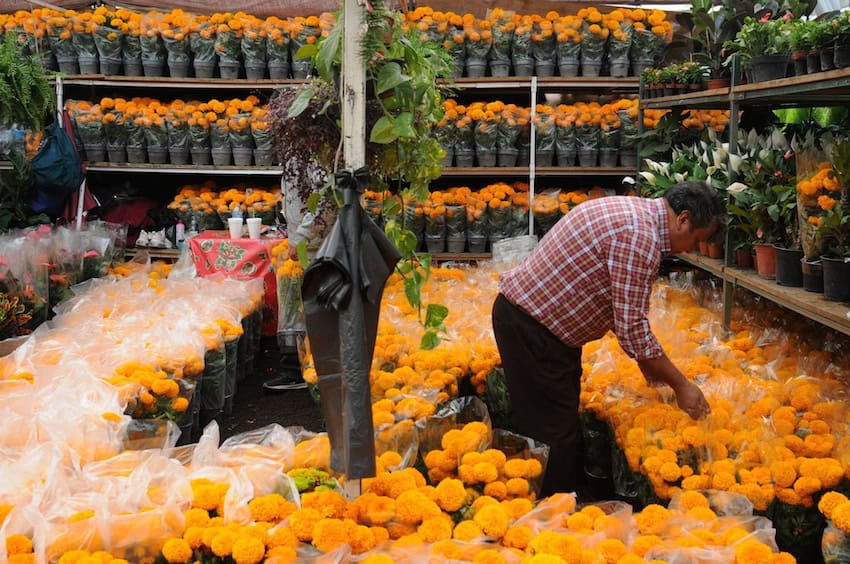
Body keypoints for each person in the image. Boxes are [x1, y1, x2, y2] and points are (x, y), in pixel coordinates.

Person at [491, 181, 725, 498]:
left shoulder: (634, 213)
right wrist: (681, 384)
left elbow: (617, 304)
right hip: (532, 330)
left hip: (538, 326)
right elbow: (631, 327)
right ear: (683, 219)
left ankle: (560, 501)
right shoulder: (641, 238)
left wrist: (650, 365)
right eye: (696, 240)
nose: (692, 249)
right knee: (553, 435)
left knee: (559, 427)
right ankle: (547, 520)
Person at [263, 160, 337, 391]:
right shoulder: (295, 151)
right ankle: (299, 369)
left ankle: (312, 372)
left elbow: (325, 201)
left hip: (318, 246)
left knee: (314, 309)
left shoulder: (313, 154)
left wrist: (302, 236)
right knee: (298, 308)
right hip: (307, 244)